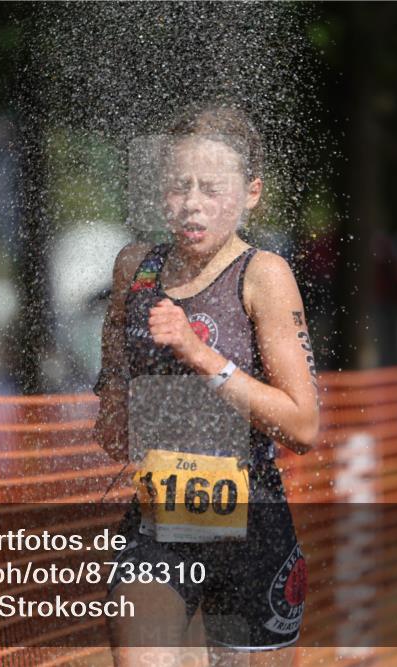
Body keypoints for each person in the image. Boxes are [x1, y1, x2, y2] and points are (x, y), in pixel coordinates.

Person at [93, 105, 319, 667]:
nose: (192, 202)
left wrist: (200, 356)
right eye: (178, 186)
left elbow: (303, 426)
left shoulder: (264, 275)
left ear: (251, 194)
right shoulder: (134, 270)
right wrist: (116, 403)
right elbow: (114, 428)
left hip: (254, 527)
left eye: (211, 188)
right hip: (160, 521)